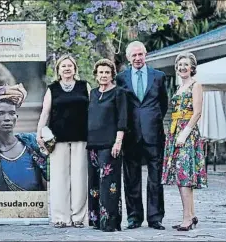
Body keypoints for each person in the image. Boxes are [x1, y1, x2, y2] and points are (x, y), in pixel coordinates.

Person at [116, 41, 168, 230]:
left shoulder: (159, 76)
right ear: (129, 58)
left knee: (155, 178)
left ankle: (155, 218)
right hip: (131, 134)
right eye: (134, 56)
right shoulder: (120, 78)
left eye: (140, 54)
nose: (138, 58)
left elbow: (163, 104)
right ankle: (134, 217)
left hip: (153, 133)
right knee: (131, 179)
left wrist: (152, 121)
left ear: (146, 55)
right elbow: (120, 106)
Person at [36, 54, 89, 228]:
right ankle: (60, 217)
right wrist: (39, 134)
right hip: (57, 140)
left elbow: (93, 110)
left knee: (80, 178)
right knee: (59, 179)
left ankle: (78, 218)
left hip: (82, 138)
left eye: (70, 66)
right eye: (63, 66)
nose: (67, 69)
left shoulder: (84, 86)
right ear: (58, 70)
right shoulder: (52, 89)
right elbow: (45, 113)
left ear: (75, 68)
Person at [161, 52, 207, 231]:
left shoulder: (196, 85)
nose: (182, 68)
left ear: (192, 68)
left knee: (184, 176)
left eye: (185, 65)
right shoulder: (180, 87)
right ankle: (190, 214)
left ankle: (187, 218)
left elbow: (197, 112)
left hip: (186, 133)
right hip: (175, 131)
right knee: (181, 175)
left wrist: (185, 133)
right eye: (179, 65)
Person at [87, 59, 127, 232]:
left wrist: (118, 142)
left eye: (107, 72)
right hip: (92, 144)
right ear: (96, 75)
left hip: (110, 145)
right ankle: (96, 220)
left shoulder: (119, 93)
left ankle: (109, 222)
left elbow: (122, 119)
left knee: (108, 184)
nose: (103, 75)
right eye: (100, 72)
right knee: (94, 183)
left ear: (112, 75)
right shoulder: (93, 93)